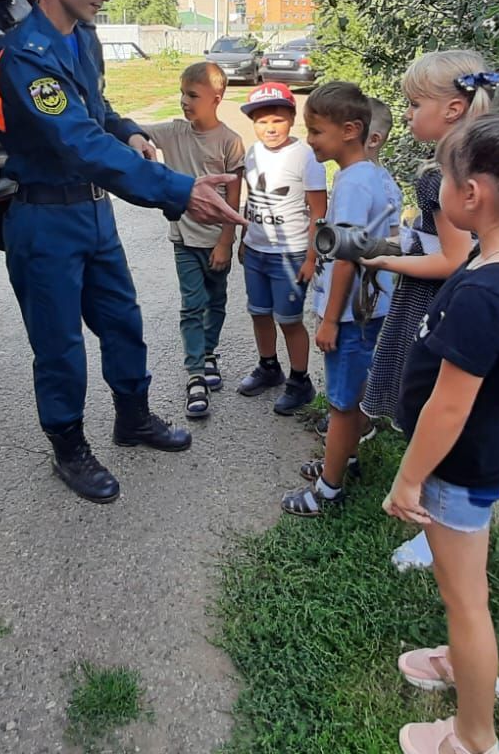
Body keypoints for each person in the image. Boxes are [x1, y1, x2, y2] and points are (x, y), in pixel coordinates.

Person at [0, 0, 243, 504]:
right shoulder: (24, 56)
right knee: (60, 347)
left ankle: (131, 418)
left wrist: (128, 129)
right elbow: (77, 141)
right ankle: (69, 447)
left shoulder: (82, 39)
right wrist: (178, 189)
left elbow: (95, 113)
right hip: (45, 218)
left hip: (92, 215)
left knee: (124, 324)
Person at [388, 88, 499, 754]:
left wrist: (409, 480)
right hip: (480, 453)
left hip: (459, 464)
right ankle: (463, 663)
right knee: (462, 588)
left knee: (467, 603)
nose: (435, 194)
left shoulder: (488, 293)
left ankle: (473, 735)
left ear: (472, 199)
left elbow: (448, 404)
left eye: (444, 183)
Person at [360, 54, 499, 571]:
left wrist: (383, 257)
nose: (408, 114)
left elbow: (452, 260)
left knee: (433, 409)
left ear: (453, 108)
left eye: (415, 105)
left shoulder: (441, 176)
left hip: (438, 304)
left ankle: (432, 526)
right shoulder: (489, 160)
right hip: (474, 298)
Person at [281, 81, 399, 516]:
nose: (309, 140)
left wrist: (329, 320)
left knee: (342, 401)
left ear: (349, 130)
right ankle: (343, 458)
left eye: (315, 131)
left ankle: (328, 489)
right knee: (354, 392)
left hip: (350, 315)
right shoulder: (378, 176)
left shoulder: (350, 184)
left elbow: (347, 259)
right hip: (375, 308)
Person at [141, 62, 245, 418]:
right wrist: (138, 142)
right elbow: (134, 132)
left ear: (217, 98)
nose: (184, 101)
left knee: (216, 302)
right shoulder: (174, 132)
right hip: (184, 239)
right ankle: (195, 373)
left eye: (193, 95)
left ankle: (210, 352)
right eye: (182, 93)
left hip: (216, 240)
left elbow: (234, 198)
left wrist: (226, 242)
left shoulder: (230, 141)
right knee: (192, 304)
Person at [235, 82, 326, 415]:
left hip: (290, 255)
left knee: (288, 320)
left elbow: (319, 211)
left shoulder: (306, 157)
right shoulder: (253, 152)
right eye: (261, 121)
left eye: (277, 119)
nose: (269, 128)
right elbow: (252, 198)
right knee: (259, 313)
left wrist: (311, 257)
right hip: (257, 250)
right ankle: (268, 367)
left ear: (291, 117)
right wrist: (245, 237)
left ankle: (300, 381)